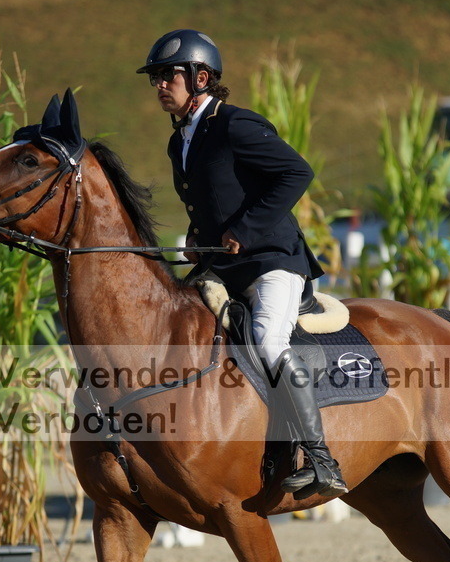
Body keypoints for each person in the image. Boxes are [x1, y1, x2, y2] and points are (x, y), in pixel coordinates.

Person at [137, 29, 347, 499]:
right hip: (225, 266)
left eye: (167, 75)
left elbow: (297, 172)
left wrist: (244, 231)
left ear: (201, 77)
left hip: (272, 259)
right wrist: (199, 238)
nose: (158, 85)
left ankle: (320, 457)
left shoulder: (235, 124)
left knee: (268, 342)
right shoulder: (180, 142)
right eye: (155, 78)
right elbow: (209, 204)